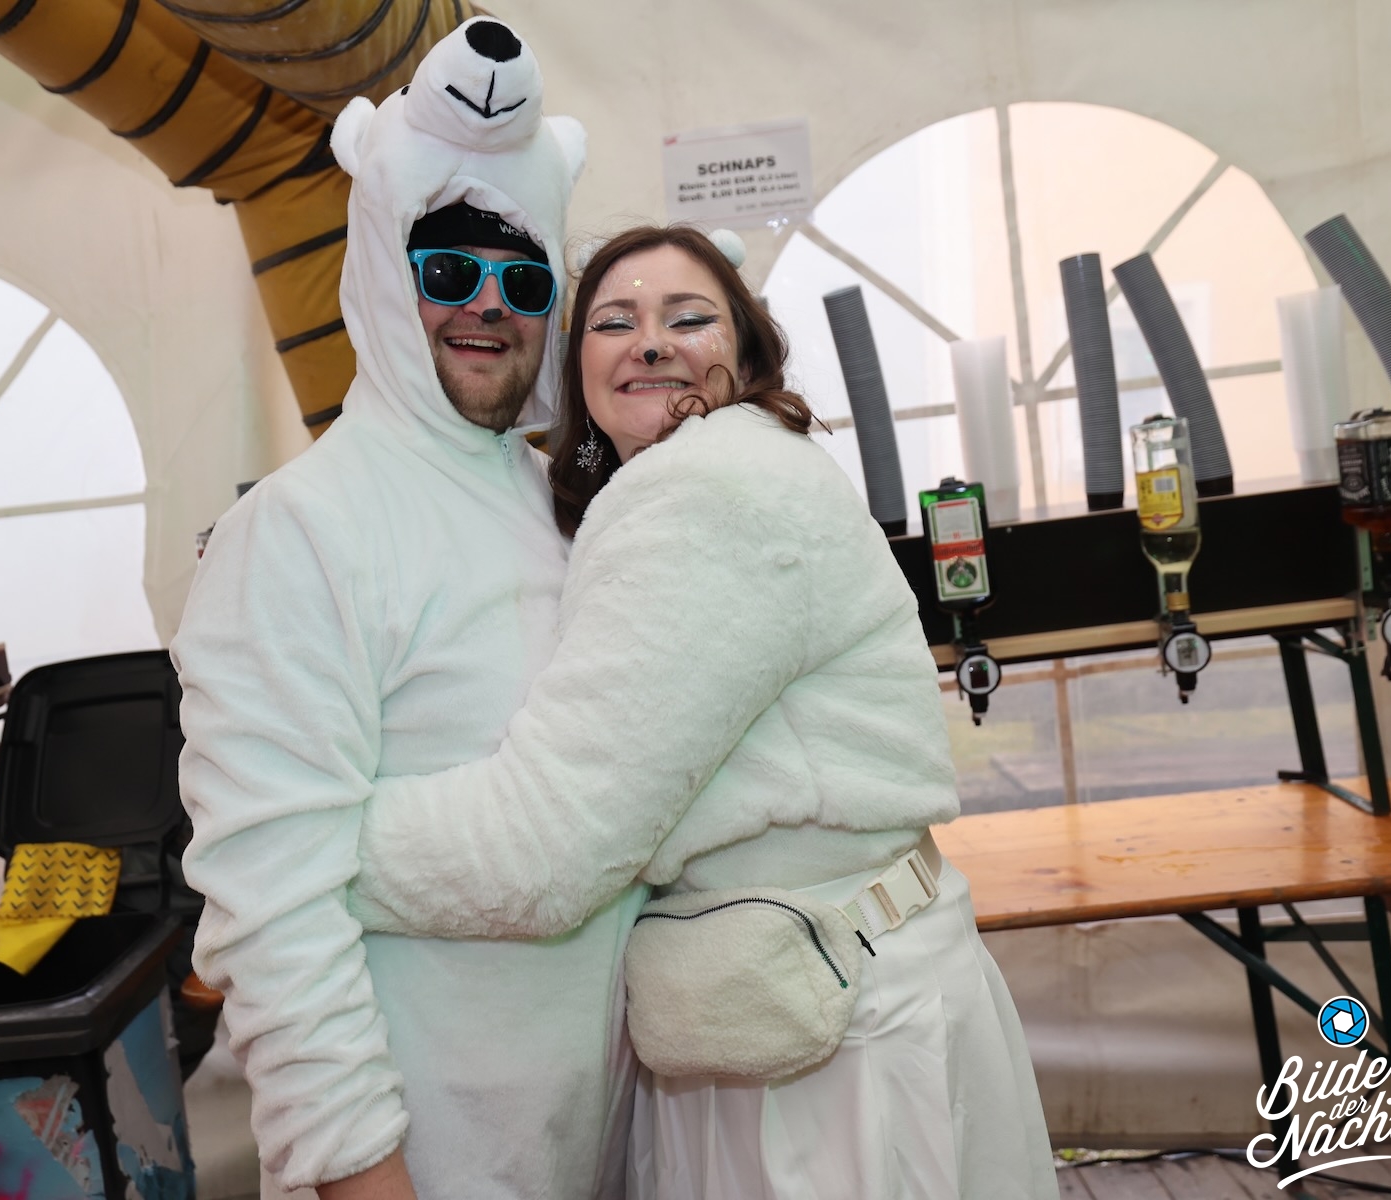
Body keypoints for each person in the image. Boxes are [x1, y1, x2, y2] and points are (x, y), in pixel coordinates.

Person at [347, 225, 1060, 1200]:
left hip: (827, 1044)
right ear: (578, 369)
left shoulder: (709, 493)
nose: (651, 342)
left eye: (687, 319)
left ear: (747, 355)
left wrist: (312, 843)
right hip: (816, 987)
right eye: (614, 322)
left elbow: (546, 847)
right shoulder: (723, 474)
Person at [171, 20, 641, 1200]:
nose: (486, 306)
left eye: (523, 280)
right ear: (385, 272)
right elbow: (274, 904)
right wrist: (361, 1174)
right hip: (421, 1165)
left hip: (592, 1145)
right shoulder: (300, 530)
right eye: (446, 272)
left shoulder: (563, 503)